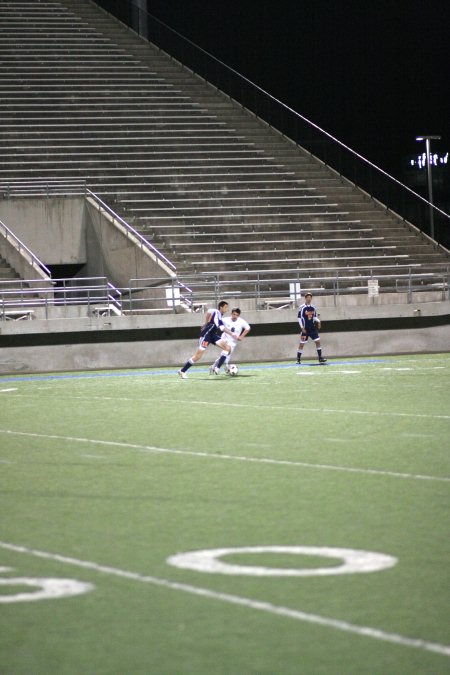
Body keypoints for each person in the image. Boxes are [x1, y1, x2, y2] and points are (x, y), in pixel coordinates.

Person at [177, 301, 237, 378]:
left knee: (228, 348)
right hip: (206, 336)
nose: (227, 309)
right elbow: (222, 328)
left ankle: (216, 367)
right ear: (221, 307)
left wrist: (205, 323)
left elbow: (208, 312)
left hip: (212, 335)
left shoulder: (215, 312)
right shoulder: (217, 312)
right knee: (198, 356)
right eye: (226, 307)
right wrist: (232, 334)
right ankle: (182, 371)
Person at [211, 307, 251, 373]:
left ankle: (215, 367)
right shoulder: (225, 320)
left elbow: (248, 328)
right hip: (224, 338)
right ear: (231, 314)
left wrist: (241, 336)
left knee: (225, 357)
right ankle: (218, 368)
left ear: (239, 315)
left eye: (237, 315)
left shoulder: (241, 321)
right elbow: (217, 321)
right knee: (226, 352)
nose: (235, 316)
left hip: (232, 342)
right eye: (234, 314)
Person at [296, 293, 327, 364]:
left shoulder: (313, 307)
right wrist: (302, 327)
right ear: (305, 298)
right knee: (301, 344)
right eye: (308, 297)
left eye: (310, 297)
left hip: (312, 328)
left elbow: (314, 317)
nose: (309, 299)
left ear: (311, 298)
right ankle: (298, 359)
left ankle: (320, 358)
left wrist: (319, 322)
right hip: (305, 329)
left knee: (318, 342)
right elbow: (299, 318)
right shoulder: (302, 307)